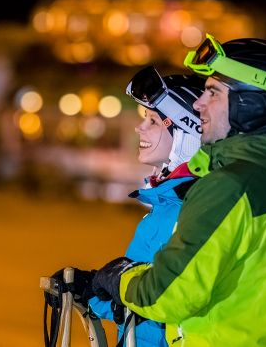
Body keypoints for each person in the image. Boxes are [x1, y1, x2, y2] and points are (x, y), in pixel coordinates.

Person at [91, 33, 266, 347]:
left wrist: (119, 278)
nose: (200, 103)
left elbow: (167, 294)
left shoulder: (229, 186)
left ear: (249, 104)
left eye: (213, 93)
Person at [45, 67, 204, 347]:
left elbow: (163, 302)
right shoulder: (168, 205)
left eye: (153, 121)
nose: (138, 127)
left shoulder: (191, 210)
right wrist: (90, 288)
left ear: (187, 134)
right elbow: (136, 300)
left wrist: (111, 284)